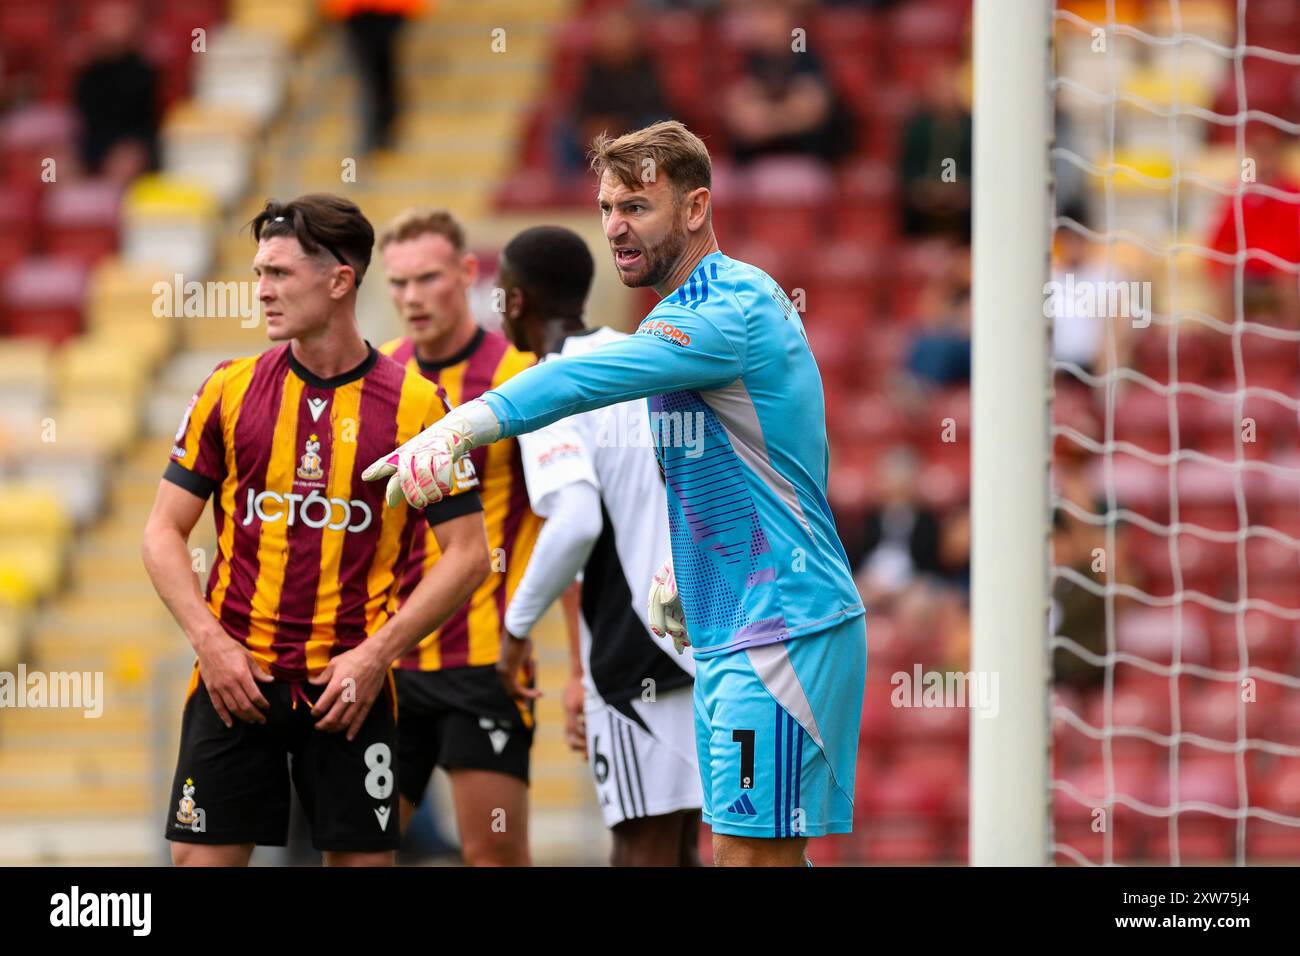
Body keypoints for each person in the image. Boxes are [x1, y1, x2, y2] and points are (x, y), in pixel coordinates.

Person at [364, 121, 868, 867]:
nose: (615, 228)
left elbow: (577, 380)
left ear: (696, 209)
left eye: (636, 206)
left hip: (779, 630)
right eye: (605, 208)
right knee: (757, 856)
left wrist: (461, 425)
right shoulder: (684, 311)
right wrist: (686, 572)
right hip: (740, 623)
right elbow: (767, 464)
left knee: (739, 857)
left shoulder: (725, 308)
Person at [142, 193, 490, 867]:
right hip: (234, 680)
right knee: (199, 863)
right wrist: (210, 644)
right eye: (259, 274)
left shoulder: (421, 407)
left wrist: (374, 656)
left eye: (279, 274)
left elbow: (470, 555)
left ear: (339, 280)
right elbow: (162, 531)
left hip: (350, 691)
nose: (262, 291)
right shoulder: (229, 388)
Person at [492, 225, 702, 866]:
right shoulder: (642, 356)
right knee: (686, 843)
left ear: (517, 302)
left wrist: (516, 629)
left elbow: (577, 521)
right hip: (709, 631)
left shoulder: (548, 388)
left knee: (638, 846)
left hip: (641, 643)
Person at [376, 207, 542, 866]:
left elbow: (564, 515)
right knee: (361, 850)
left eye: (427, 278)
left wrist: (575, 666)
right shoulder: (380, 375)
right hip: (390, 659)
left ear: (468, 274)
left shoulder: (522, 376)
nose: (411, 298)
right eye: (397, 283)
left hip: (483, 662)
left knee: (494, 855)